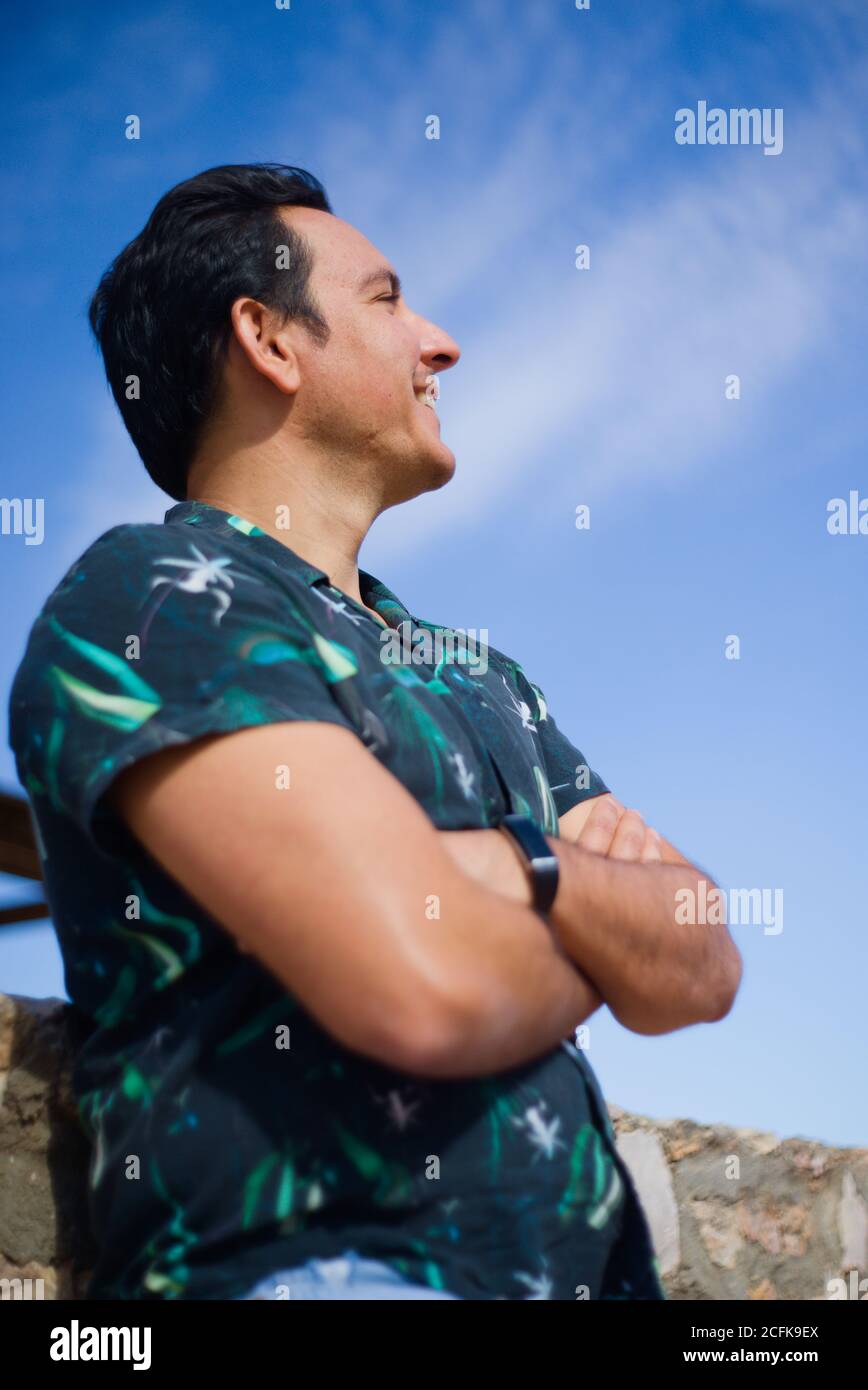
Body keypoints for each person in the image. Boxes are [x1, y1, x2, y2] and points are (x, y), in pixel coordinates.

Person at [7, 163, 742, 1301]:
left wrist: (511, 870)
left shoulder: (484, 673)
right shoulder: (155, 602)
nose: (440, 343)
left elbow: (701, 958)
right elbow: (420, 984)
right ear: (268, 339)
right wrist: (592, 904)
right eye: (390, 300)